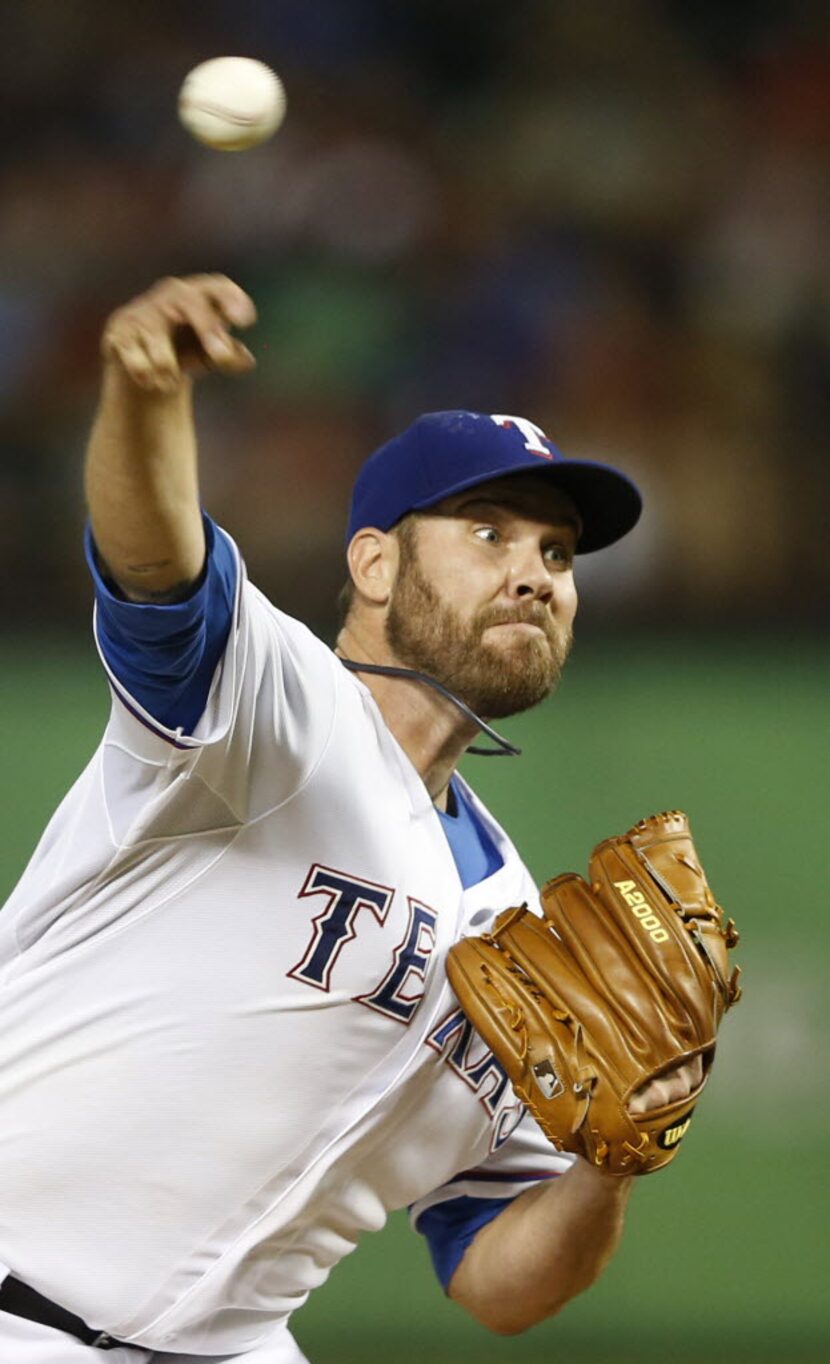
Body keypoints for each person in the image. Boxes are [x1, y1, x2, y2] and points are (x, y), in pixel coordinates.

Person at [0, 275, 701, 1364]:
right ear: (373, 561)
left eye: (557, 553)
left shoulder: (516, 921)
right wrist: (144, 402)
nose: (534, 574)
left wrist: (609, 1165)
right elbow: (153, 565)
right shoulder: (269, 706)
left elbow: (493, 1277)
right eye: (488, 530)